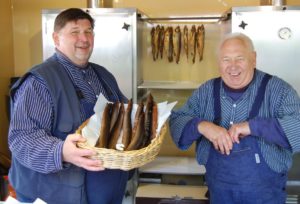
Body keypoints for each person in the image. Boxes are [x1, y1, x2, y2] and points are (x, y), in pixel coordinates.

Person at [8, 8, 129, 204]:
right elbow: (21, 139)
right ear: (56, 39)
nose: (84, 38)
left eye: (88, 31)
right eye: (75, 32)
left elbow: (126, 115)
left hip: (108, 192)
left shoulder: (103, 75)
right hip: (62, 196)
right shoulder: (39, 82)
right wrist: (61, 151)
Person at [169, 32, 300, 204]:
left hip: (266, 196)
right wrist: (203, 126)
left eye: (239, 58)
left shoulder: (279, 90)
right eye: (226, 59)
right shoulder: (206, 92)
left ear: (253, 59)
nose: (233, 66)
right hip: (219, 195)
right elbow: (177, 123)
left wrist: (253, 127)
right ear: (218, 63)